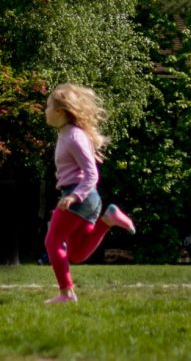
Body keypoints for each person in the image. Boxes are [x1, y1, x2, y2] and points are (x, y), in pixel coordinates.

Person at [42, 83, 136, 304]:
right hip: (86, 199)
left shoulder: (74, 136)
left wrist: (75, 196)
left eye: (48, 106)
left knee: (52, 242)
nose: (44, 110)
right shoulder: (66, 134)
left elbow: (91, 173)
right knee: (76, 254)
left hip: (80, 196)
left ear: (60, 111)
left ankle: (66, 294)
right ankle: (108, 219)